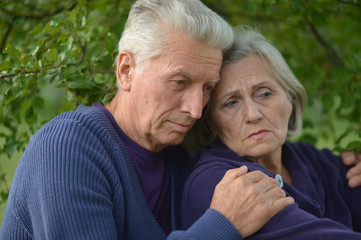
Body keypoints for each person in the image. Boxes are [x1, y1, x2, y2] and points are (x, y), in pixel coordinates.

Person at [0, 1, 295, 239]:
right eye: (179, 82)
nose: (195, 109)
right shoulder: (67, 148)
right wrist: (221, 225)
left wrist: (339, 170)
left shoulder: (183, 158)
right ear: (126, 70)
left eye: (207, 88)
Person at [181, 28, 361, 239]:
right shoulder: (217, 182)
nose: (253, 115)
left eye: (265, 94)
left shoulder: (313, 160)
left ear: (290, 97)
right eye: (231, 102)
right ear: (211, 122)